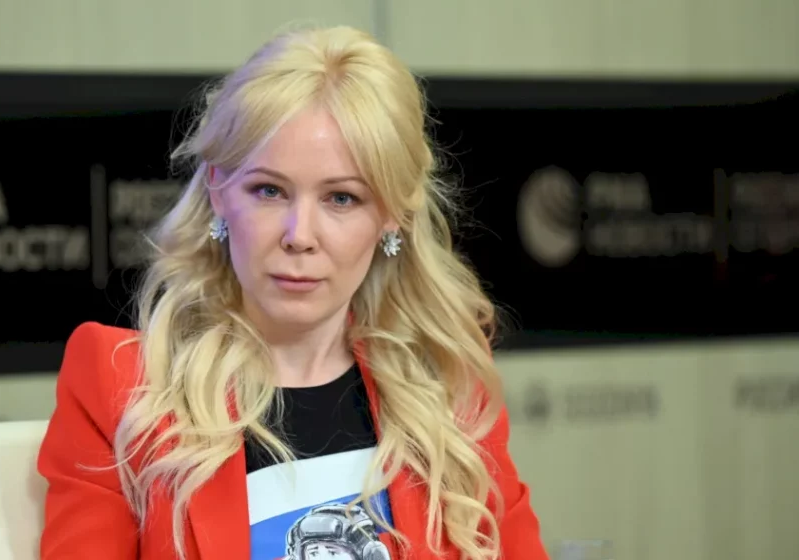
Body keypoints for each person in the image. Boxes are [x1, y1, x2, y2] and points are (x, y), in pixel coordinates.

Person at [38, 25, 548, 560]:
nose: (299, 235)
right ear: (217, 190)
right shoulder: (123, 388)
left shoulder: (446, 384)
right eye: (269, 190)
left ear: (392, 215)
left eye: (341, 198)